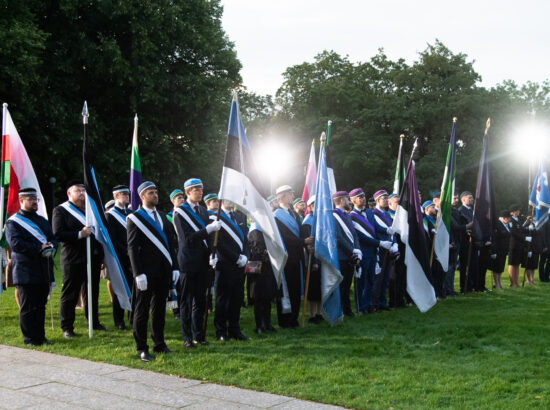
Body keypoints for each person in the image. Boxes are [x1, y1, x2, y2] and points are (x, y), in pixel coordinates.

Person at [127, 181, 180, 362]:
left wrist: (175, 267)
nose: (155, 195)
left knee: (159, 310)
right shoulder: (135, 218)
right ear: (142, 196)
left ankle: (159, 343)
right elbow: (132, 248)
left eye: (156, 192)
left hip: (163, 271)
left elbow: (172, 244)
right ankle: (142, 347)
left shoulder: (164, 217)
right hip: (146, 273)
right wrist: (138, 273)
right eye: (151, 193)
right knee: (141, 310)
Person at [53, 181, 106, 339]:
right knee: (71, 293)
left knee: (92, 292)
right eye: (78, 191)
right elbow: (58, 233)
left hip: (92, 258)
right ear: (69, 193)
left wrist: (100, 255)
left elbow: (98, 235)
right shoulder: (61, 210)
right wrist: (78, 234)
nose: (82, 194)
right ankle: (67, 327)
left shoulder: (90, 211)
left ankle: (94, 322)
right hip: (72, 258)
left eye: (84, 191)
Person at [5, 187, 58, 346]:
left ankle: (40, 337)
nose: (35, 202)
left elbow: (53, 238)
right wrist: (39, 248)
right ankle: (29, 339)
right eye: (31, 199)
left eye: (36, 199)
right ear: (22, 201)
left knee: (40, 305)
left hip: (43, 269)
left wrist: (51, 246)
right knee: (28, 307)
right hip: (25, 270)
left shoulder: (42, 220)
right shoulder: (13, 222)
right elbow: (15, 244)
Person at [173, 178, 221, 346]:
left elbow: (207, 238)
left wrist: (211, 254)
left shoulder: (202, 210)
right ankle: (187, 338)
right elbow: (187, 239)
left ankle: (198, 335)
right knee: (186, 301)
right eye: (196, 190)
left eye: (201, 189)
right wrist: (208, 229)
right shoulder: (180, 212)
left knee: (201, 301)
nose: (200, 192)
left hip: (202, 261)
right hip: (188, 261)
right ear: (187, 192)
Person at [273, 185, 313, 328]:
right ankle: (284, 320)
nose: (292, 195)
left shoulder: (295, 214)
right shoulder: (276, 215)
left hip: (298, 256)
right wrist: (303, 241)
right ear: (281, 196)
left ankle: (294, 318)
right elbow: (284, 237)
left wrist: (307, 240)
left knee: (296, 289)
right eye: (290, 194)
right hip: (286, 256)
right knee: (286, 289)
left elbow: (301, 231)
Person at [209, 200, 249, 340]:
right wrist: (236, 257)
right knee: (222, 299)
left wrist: (245, 256)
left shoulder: (239, 217)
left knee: (237, 298)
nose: (231, 201)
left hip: (240, 264)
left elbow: (245, 239)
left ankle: (234, 329)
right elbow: (218, 243)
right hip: (224, 264)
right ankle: (221, 331)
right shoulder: (215, 217)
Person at [349, 188, 387, 314]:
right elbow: (361, 237)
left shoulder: (369, 213)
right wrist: (380, 243)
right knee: (361, 281)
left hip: (372, 252)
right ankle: (361, 307)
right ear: (353, 200)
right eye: (360, 197)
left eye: (364, 196)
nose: (363, 199)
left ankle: (369, 304)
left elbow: (376, 227)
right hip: (362, 252)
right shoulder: (352, 217)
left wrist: (387, 230)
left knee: (371, 279)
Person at [104, 185, 133, 330]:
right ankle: (119, 320)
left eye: (127, 194)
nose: (126, 196)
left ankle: (133, 318)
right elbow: (112, 239)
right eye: (123, 194)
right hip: (120, 258)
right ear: (116, 196)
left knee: (134, 289)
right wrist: (125, 251)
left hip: (133, 257)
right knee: (119, 290)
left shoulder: (131, 212)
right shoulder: (110, 215)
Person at [332, 191, 362, 317]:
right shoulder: (333, 216)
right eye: (347, 199)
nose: (349, 201)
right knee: (341, 285)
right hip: (341, 256)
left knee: (348, 284)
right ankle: (340, 310)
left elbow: (354, 235)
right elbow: (338, 237)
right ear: (342, 200)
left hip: (350, 255)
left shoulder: (347, 215)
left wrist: (357, 250)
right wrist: (352, 250)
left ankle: (347, 309)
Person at [248, 218, 278, 333]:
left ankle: (267, 323)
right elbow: (256, 247)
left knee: (267, 296)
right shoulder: (255, 229)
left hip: (267, 266)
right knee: (258, 296)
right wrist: (265, 252)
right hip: (256, 265)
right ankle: (259, 325)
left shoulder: (265, 228)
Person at [371, 189, 396, 311]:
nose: (386, 201)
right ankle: (375, 303)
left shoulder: (387, 214)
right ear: (377, 200)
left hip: (389, 247)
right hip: (379, 248)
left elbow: (392, 230)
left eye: (387, 198)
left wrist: (394, 244)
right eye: (384, 198)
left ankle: (382, 302)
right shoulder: (373, 213)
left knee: (386, 277)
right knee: (378, 278)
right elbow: (376, 230)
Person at [302, 195, 322, 323]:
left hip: (321, 258)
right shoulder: (307, 222)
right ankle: (312, 314)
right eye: (315, 205)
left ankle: (319, 313)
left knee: (319, 287)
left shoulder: (319, 219)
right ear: (310, 207)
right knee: (313, 288)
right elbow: (309, 244)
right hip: (312, 258)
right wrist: (313, 261)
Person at [458, 191, 481, 293]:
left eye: (472, 198)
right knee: (465, 265)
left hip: (474, 241)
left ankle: (472, 285)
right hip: (465, 242)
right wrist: (466, 231)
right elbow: (460, 226)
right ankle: (465, 287)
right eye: (469, 198)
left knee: (473, 265)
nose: (471, 199)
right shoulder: (460, 211)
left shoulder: (473, 210)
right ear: (463, 199)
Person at [422, 200, 444, 297]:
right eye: (432, 207)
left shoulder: (436, 219)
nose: (434, 209)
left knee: (439, 272)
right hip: (430, 249)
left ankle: (439, 291)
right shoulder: (425, 220)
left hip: (438, 249)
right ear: (426, 209)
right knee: (432, 271)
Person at [492, 210, 511, 289]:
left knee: (501, 267)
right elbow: (495, 238)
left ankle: (499, 282)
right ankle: (496, 283)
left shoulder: (507, 225)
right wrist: (493, 251)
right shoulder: (497, 224)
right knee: (496, 267)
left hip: (504, 250)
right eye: (508, 218)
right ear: (504, 218)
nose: (510, 220)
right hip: (498, 249)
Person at [508, 204, 525, 287]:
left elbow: (521, 230)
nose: (518, 211)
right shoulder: (511, 220)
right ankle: (512, 282)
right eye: (517, 210)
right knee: (512, 264)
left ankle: (516, 281)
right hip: (513, 245)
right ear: (512, 212)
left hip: (519, 245)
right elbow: (513, 232)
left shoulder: (518, 220)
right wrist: (524, 238)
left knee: (517, 264)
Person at [521, 217, 540, 286]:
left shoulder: (538, 223)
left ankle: (532, 279)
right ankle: (528, 280)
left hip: (536, 246)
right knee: (529, 265)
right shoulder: (528, 222)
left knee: (534, 265)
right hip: (529, 246)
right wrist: (528, 228)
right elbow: (522, 229)